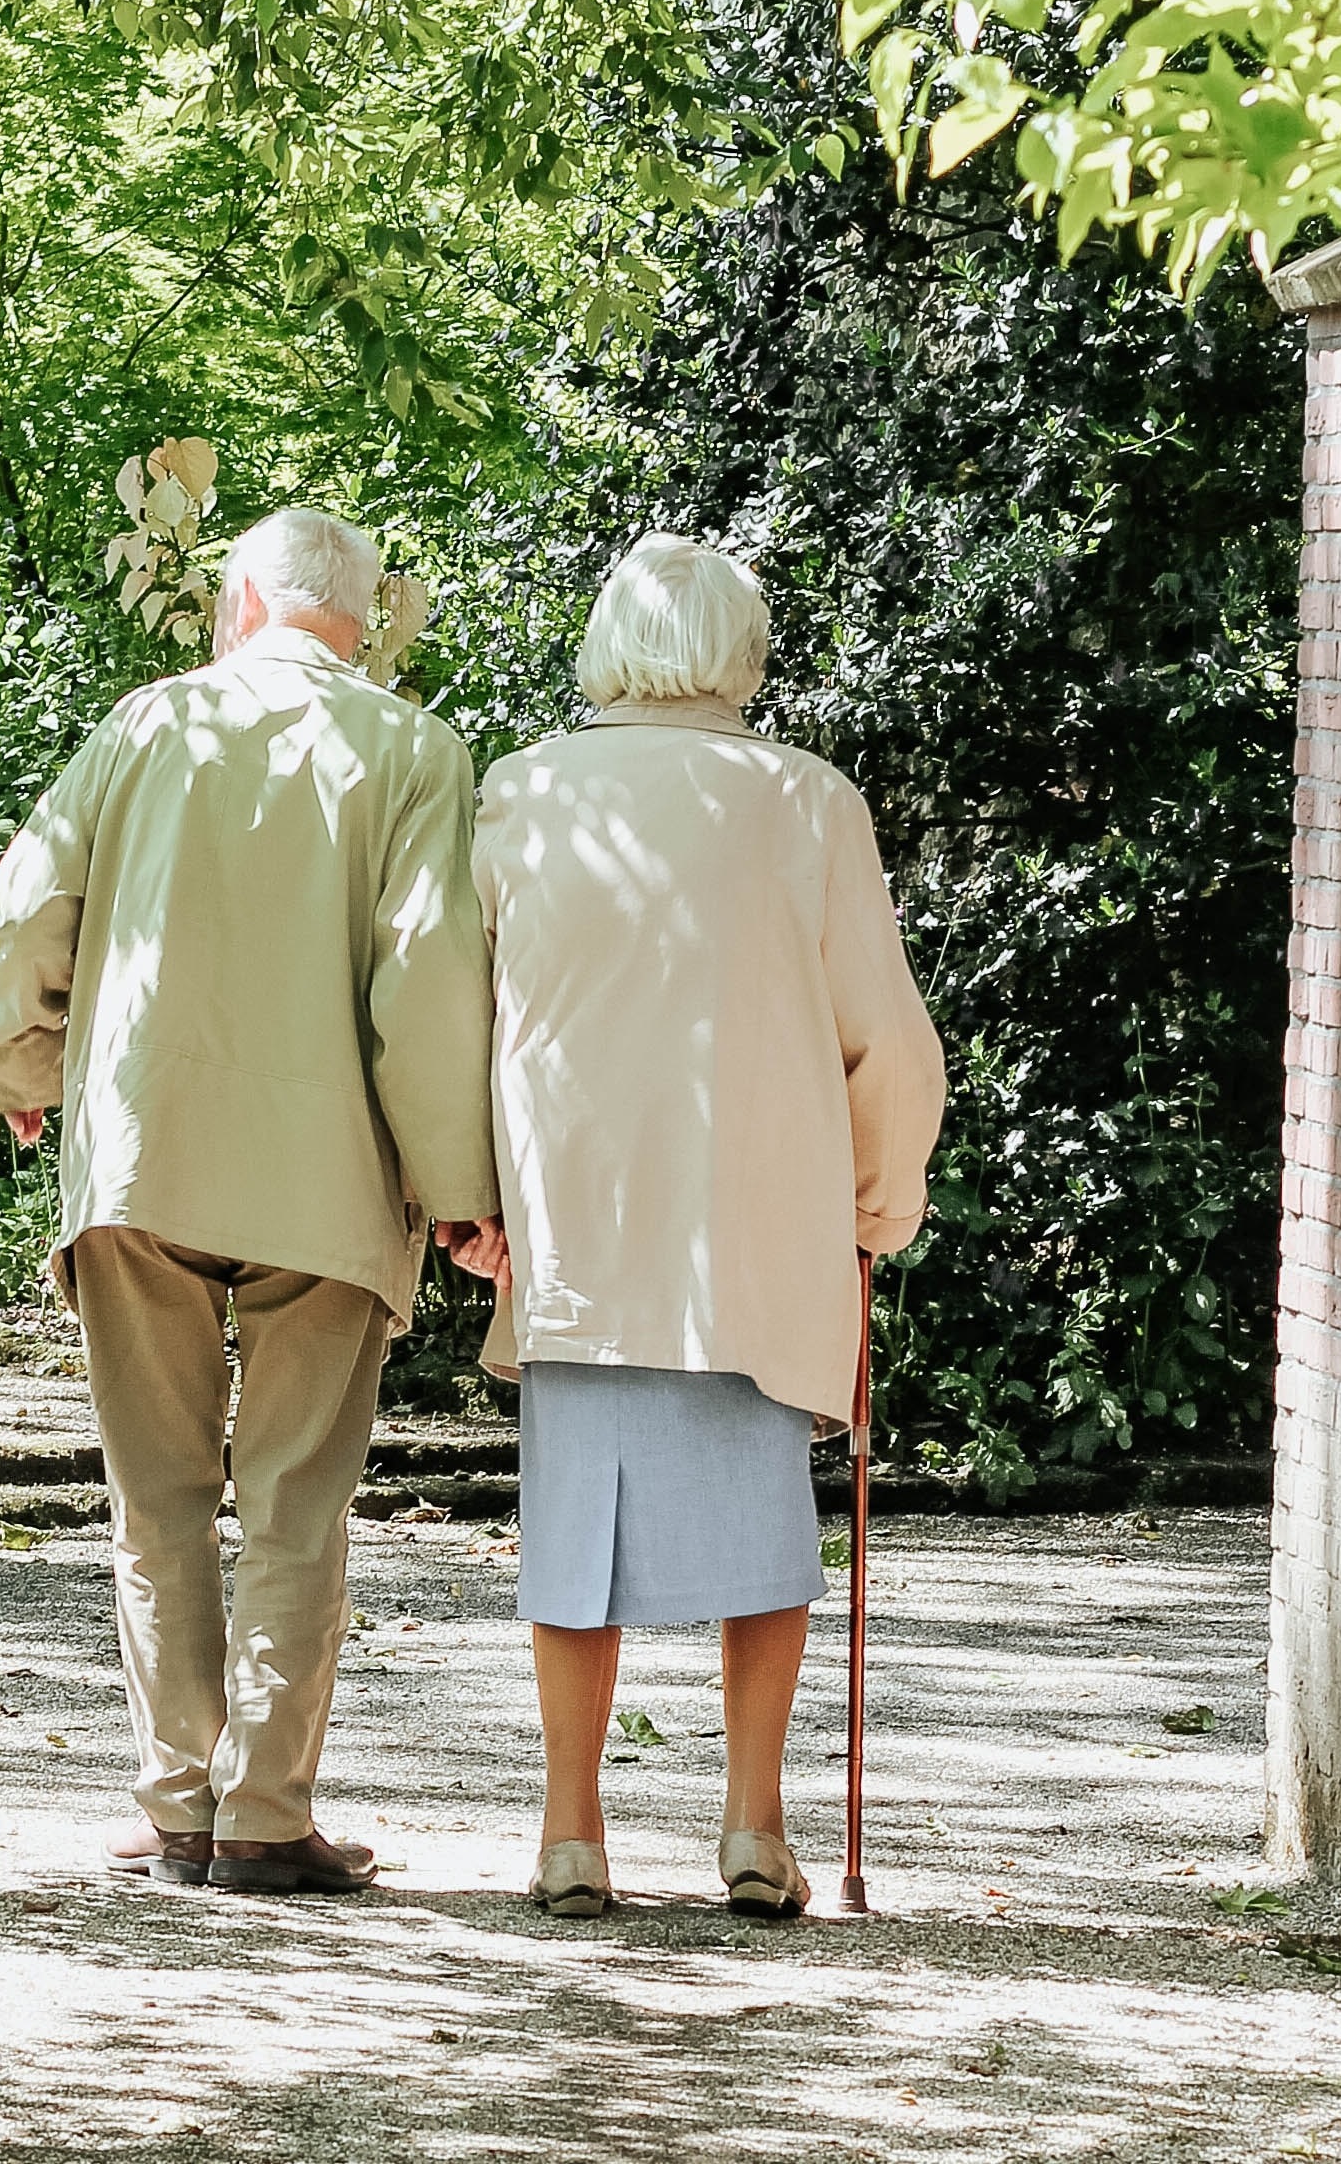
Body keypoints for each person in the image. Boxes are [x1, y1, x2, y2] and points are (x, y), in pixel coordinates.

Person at [0, 506, 499, 1896]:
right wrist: (457, 1189)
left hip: (146, 1155)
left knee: (156, 1496)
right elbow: (428, 982)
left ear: (240, 606)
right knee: (295, 1503)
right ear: (363, 622)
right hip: (328, 1176)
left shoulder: (144, 727)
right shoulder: (416, 751)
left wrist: (14, 1059)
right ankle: (264, 1815)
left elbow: (34, 908)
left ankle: (176, 1802)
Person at [445, 534, 945, 1921]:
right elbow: (886, 1040)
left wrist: (467, 1198)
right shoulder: (806, 803)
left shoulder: (523, 790)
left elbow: (461, 1016)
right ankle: (752, 1827)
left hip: (580, 1219)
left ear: (610, 642)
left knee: (570, 1541)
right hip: (755, 1226)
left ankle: (570, 1832)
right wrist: (877, 1203)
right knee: (765, 1538)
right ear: (743, 651)